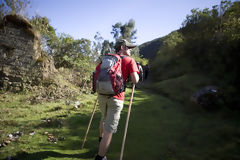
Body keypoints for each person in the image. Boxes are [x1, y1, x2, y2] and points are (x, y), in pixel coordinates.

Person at [94, 39, 139, 160]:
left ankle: (100, 141)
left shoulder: (107, 59)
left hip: (102, 95)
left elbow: (97, 73)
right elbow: (135, 80)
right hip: (116, 98)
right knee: (109, 130)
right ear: (123, 47)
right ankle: (100, 157)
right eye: (129, 47)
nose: (130, 50)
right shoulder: (130, 60)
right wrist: (137, 71)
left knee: (103, 119)